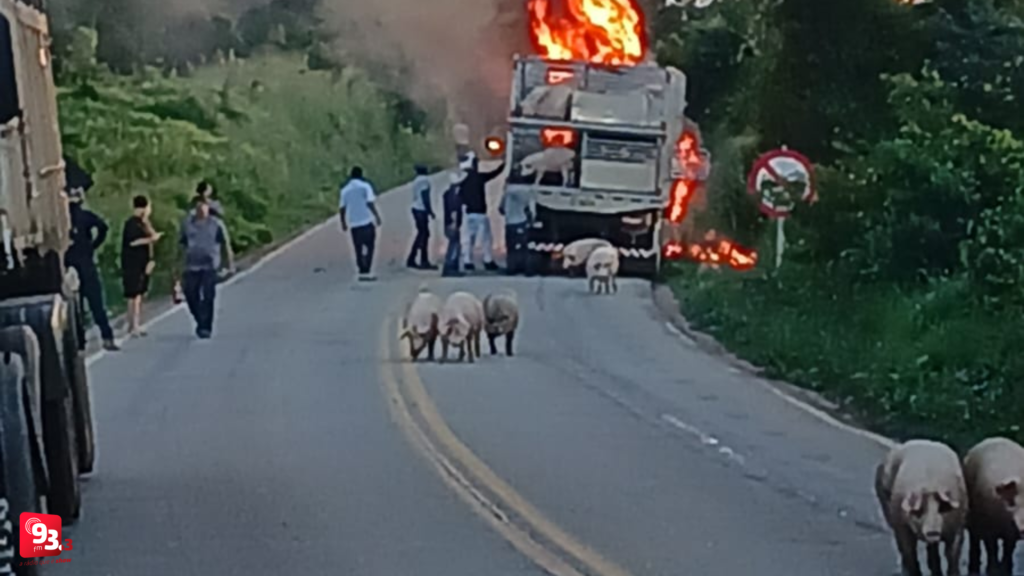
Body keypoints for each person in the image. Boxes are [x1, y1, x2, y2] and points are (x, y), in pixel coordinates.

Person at [64, 168, 119, 351]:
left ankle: (80, 342)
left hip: (69, 265)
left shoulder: (64, 219)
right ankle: (107, 337)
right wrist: (93, 245)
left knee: (75, 306)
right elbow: (103, 227)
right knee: (96, 302)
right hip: (86, 263)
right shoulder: (85, 216)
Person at [179, 196, 234, 339]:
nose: (201, 210)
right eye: (198, 207)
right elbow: (181, 245)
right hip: (191, 266)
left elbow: (225, 245)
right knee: (191, 295)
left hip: (210, 266)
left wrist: (230, 265)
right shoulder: (187, 224)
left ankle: (206, 327)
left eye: (204, 206)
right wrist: (177, 270)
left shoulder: (216, 224)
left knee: (208, 296)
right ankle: (199, 319)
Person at [121, 195, 161, 337]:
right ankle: (133, 325)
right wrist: (150, 239)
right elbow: (132, 242)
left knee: (138, 295)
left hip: (142, 264)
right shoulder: (132, 224)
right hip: (133, 264)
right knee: (133, 295)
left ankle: (135, 324)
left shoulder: (142, 223)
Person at [459, 153, 506, 272]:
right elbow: (493, 174)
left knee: (469, 238)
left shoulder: (463, 180)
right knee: (486, 238)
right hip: (480, 212)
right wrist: (504, 165)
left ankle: (467, 261)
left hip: (469, 213)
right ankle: (487, 260)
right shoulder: (478, 177)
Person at [339, 166, 383, 281]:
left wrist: (343, 222)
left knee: (358, 248)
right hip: (367, 221)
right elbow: (370, 203)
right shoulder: (365, 186)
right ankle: (367, 267)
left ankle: (361, 268)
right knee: (370, 246)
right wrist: (377, 216)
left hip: (354, 224)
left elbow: (342, 208)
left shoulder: (345, 190)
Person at [406, 164, 436, 270]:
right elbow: (425, 196)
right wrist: (430, 211)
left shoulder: (416, 180)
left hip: (415, 208)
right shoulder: (424, 180)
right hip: (421, 209)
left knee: (422, 234)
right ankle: (423, 260)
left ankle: (413, 258)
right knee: (424, 235)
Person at [499, 187, 532, 276]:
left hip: (509, 223)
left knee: (511, 248)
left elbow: (501, 209)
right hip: (521, 221)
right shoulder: (525, 192)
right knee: (523, 247)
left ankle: (511, 268)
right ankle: (526, 269)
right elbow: (528, 208)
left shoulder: (506, 194)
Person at [442, 170, 466, 277]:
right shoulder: (455, 195)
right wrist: (455, 223)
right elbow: (454, 210)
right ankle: (450, 267)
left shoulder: (447, 193)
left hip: (447, 223)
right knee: (454, 246)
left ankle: (450, 267)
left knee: (453, 245)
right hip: (452, 223)